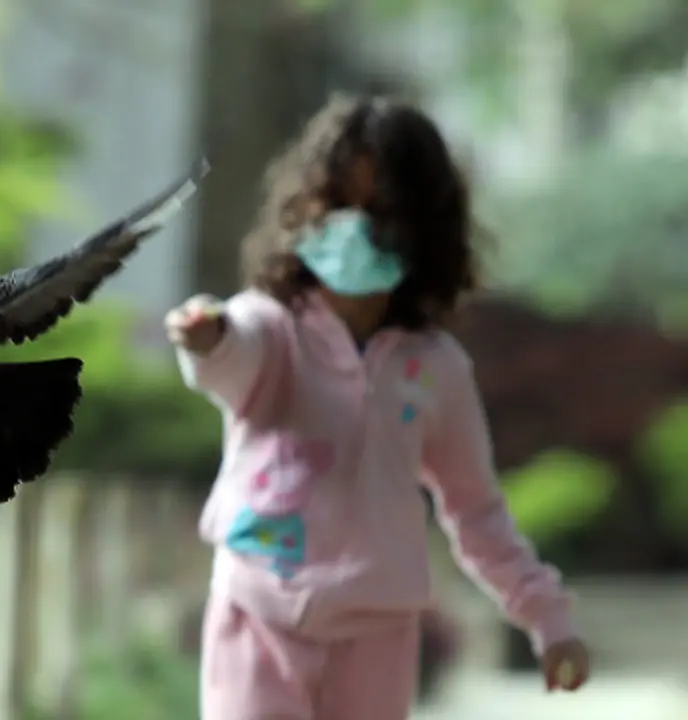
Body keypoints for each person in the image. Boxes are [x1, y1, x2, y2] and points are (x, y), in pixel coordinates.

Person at [165, 95, 590, 720]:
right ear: (305, 210)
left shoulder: (436, 370)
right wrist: (208, 340)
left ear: (423, 230)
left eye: (382, 212)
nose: (356, 229)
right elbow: (233, 359)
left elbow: (476, 512)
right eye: (339, 205)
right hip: (258, 614)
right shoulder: (271, 328)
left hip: (376, 633)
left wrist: (547, 618)